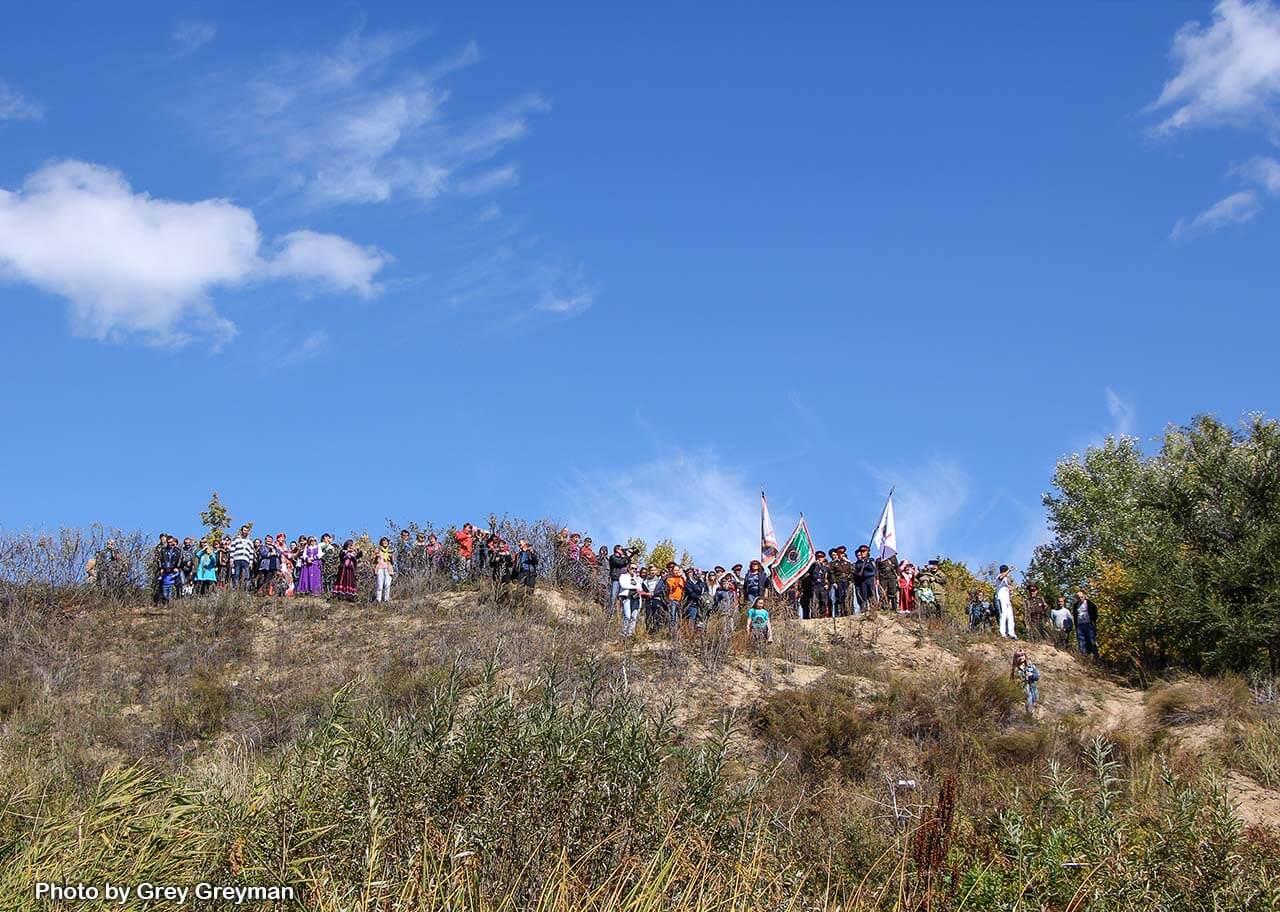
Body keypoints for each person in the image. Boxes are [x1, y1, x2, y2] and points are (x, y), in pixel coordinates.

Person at [1011, 650, 1040, 715]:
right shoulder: (1015, 669)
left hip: (1033, 689)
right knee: (1028, 708)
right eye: (1018, 656)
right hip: (1023, 691)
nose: (1021, 657)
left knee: (1035, 706)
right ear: (1015, 658)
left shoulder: (1030, 666)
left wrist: (1031, 676)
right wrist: (1024, 677)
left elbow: (1037, 676)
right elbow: (1014, 681)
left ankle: (1032, 719)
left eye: (1022, 655)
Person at [1072, 590, 1099, 657]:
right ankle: (1083, 657)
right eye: (1078, 597)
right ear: (1076, 598)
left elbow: (1095, 613)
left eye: (1081, 597)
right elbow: (1075, 615)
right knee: (1081, 642)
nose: (1080, 598)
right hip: (1079, 625)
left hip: (1088, 624)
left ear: (1084, 596)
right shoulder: (1076, 606)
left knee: (1091, 640)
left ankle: (1095, 656)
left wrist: (1093, 621)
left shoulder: (1090, 604)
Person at [618, 564, 642, 637]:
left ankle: (630, 633)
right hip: (627, 597)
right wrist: (634, 588)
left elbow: (640, 588)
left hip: (636, 598)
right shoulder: (623, 576)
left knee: (634, 616)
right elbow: (623, 585)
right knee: (627, 616)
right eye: (632, 568)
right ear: (628, 568)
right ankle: (623, 632)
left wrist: (636, 588)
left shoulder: (636, 578)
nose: (634, 570)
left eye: (635, 568)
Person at [157, 535, 182, 603]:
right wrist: (161, 568)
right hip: (165, 570)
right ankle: (163, 602)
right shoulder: (163, 550)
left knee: (177, 585)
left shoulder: (178, 550)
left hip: (174, 570)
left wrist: (177, 567)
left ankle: (176, 601)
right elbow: (159, 560)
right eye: (168, 542)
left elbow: (180, 559)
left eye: (171, 542)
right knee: (163, 586)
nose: (169, 544)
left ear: (173, 542)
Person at [853, 545, 877, 613]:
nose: (862, 553)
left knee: (872, 593)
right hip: (863, 580)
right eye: (861, 552)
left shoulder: (871, 560)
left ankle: (874, 608)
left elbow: (873, 569)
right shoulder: (858, 563)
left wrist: (867, 564)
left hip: (870, 578)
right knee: (864, 594)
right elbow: (856, 572)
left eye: (864, 551)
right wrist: (858, 573)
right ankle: (865, 609)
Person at [995, 565, 1017, 639]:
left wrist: (1012, 588)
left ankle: (1011, 633)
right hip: (1001, 599)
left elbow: (1010, 585)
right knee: (1003, 615)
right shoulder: (998, 577)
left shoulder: (1006, 579)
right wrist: (1010, 570)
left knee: (1010, 617)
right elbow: (1001, 577)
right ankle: (1002, 633)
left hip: (1007, 601)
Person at [607, 545, 629, 611]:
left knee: (621, 597)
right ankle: (610, 612)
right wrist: (626, 556)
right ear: (617, 550)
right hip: (615, 579)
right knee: (613, 596)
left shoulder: (622, 558)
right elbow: (620, 563)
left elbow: (626, 563)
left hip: (622, 580)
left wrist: (628, 556)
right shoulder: (613, 557)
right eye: (621, 549)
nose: (623, 551)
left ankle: (618, 612)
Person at [374, 537, 395, 602]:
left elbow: (393, 562)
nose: (385, 542)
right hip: (380, 568)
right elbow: (374, 561)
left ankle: (386, 600)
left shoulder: (390, 551)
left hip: (388, 569)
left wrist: (391, 557)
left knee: (387, 585)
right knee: (379, 585)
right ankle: (378, 600)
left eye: (386, 541)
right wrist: (376, 556)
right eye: (384, 541)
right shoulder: (377, 550)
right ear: (381, 542)